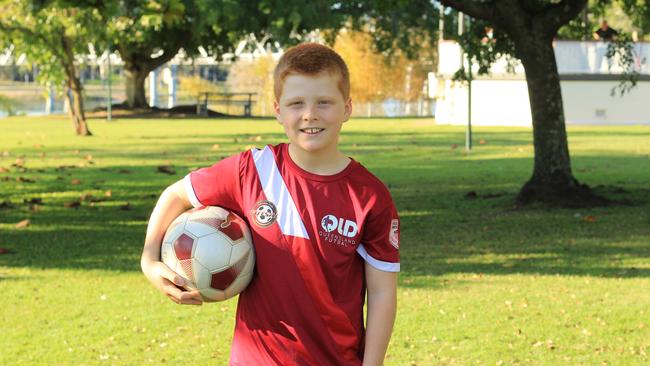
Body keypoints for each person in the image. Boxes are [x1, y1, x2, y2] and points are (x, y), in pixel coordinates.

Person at [141, 43, 400, 365]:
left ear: (347, 108)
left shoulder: (369, 196)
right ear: (278, 109)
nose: (310, 114)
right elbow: (176, 194)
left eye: (324, 102)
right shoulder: (252, 170)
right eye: (296, 103)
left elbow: (381, 293)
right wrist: (149, 260)